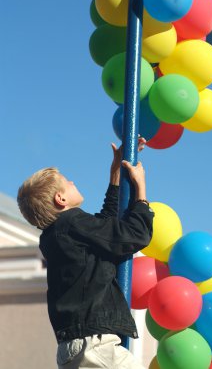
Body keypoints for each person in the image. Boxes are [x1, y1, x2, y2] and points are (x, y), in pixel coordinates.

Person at [17, 141, 154, 369]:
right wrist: (141, 190)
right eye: (66, 182)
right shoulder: (72, 222)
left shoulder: (55, 235)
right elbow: (133, 236)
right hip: (95, 346)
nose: (72, 181)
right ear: (60, 199)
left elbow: (105, 227)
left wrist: (115, 173)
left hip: (75, 347)